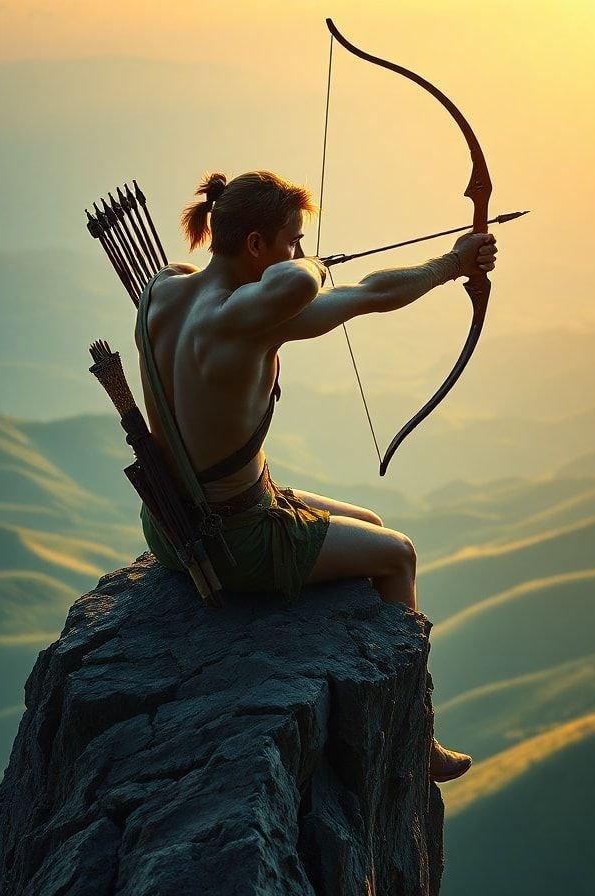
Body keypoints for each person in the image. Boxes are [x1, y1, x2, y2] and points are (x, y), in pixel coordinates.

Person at [137, 169, 498, 783]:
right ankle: (416, 735)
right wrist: (446, 266)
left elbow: (353, 290)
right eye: (293, 240)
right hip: (235, 540)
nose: (301, 252)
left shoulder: (163, 290)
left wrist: (446, 265)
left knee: (373, 526)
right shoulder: (244, 320)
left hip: (170, 524)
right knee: (398, 557)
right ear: (256, 246)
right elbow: (351, 293)